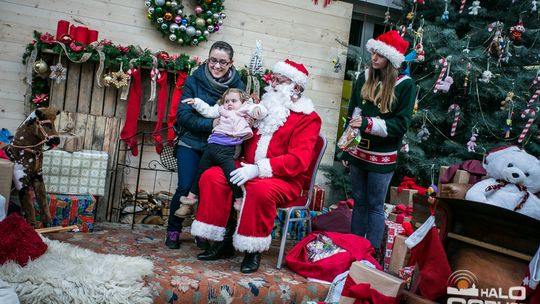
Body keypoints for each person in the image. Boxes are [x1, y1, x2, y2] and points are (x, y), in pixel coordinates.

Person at [190, 59, 322, 273]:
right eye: (274, 79)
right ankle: (223, 239)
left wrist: (258, 169)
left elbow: (299, 161)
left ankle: (252, 250)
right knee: (213, 176)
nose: (272, 84)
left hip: (283, 179)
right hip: (248, 166)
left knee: (259, 190)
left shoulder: (308, 119)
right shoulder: (263, 108)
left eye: (279, 81)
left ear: (295, 87)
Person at [340, 30, 416, 255]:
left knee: (374, 205)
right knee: (359, 202)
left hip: (382, 156)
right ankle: (354, 248)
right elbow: (354, 112)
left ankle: (370, 252)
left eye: (380, 55)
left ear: (391, 59)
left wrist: (369, 124)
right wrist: (347, 148)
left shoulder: (404, 85)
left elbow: (401, 124)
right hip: (357, 152)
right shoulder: (364, 77)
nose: (374, 58)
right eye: (373, 52)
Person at [165, 41, 246, 250]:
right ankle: (173, 229)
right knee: (185, 186)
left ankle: (201, 231)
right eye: (213, 60)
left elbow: (244, 114)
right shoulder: (194, 80)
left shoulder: (238, 86)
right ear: (208, 59)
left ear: (231, 63)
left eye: (222, 62)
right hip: (191, 142)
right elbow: (183, 116)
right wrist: (211, 123)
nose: (217, 66)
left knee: (209, 188)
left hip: (220, 147)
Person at [175, 88, 268, 217]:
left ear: (242, 103)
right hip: (211, 148)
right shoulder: (221, 110)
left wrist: (258, 110)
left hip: (227, 151)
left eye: (234, 101)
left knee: (232, 178)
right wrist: (196, 102)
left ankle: (239, 203)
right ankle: (188, 203)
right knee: (199, 175)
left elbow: (256, 109)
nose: (229, 103)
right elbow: (208, 110)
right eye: (227, 101)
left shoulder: (243, 111)